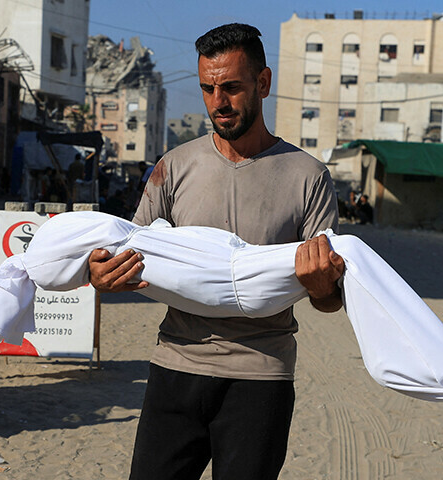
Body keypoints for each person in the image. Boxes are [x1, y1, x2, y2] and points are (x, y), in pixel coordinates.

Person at [88, 23, 343, 480]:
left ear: (263, 83)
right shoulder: (173, 168)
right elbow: (132, 252)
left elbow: (329, 299)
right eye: (207, 89)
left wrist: (323, 287)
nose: (217, 103)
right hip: (175, 365)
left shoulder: (308, 177)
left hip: (261, 376)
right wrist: (101, 276)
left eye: (231, 88)